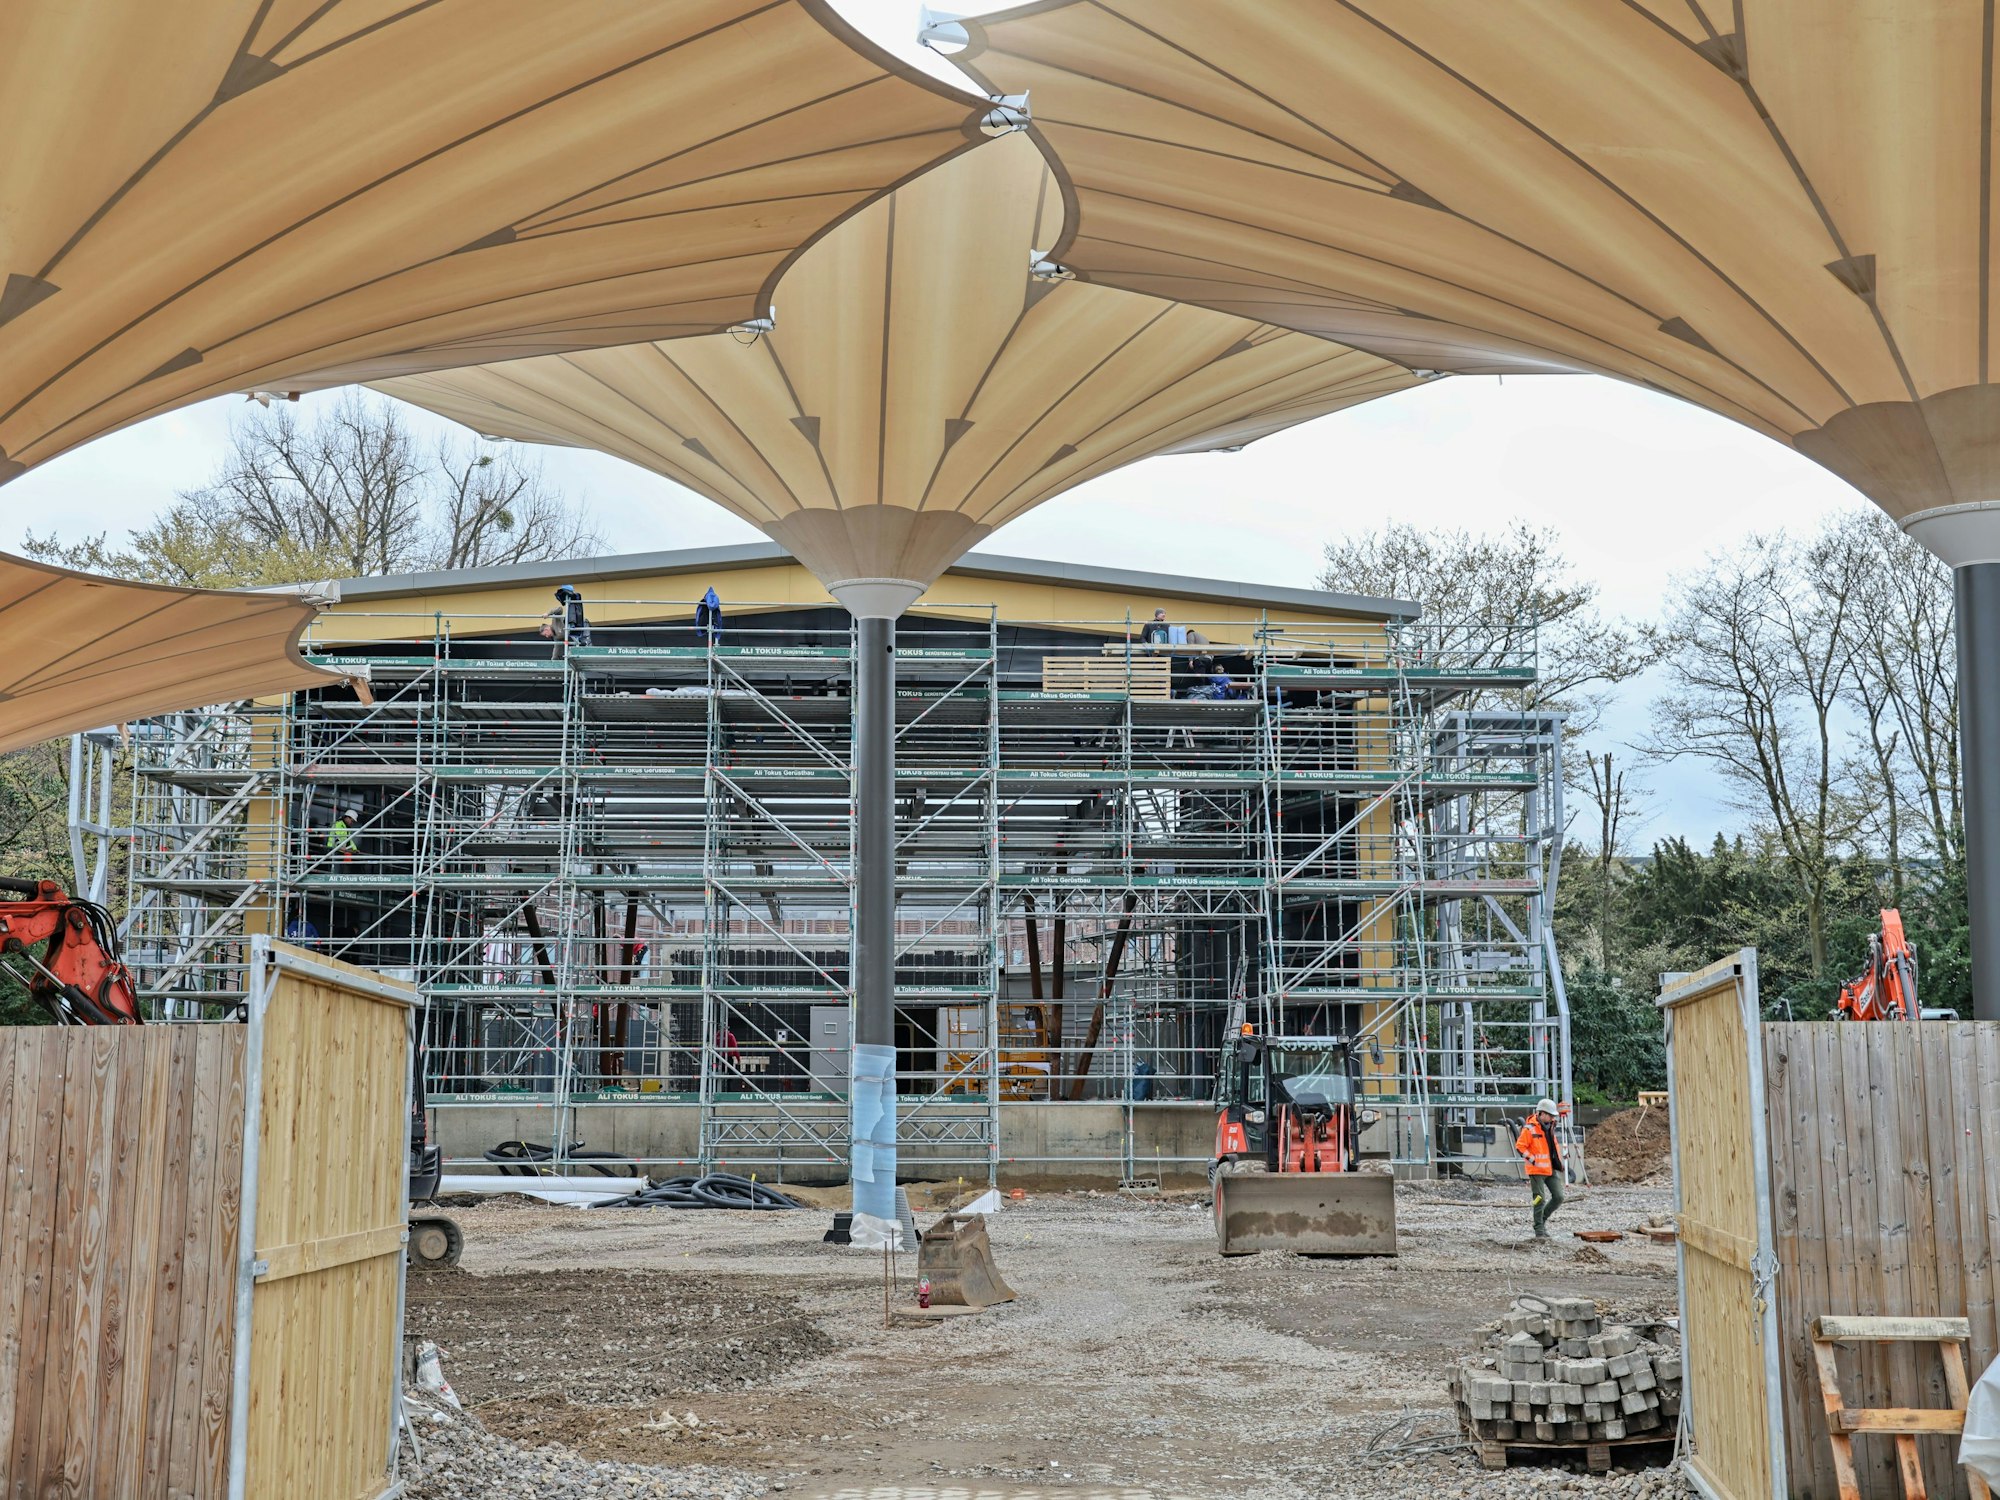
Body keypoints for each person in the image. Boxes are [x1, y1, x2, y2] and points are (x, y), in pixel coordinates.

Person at [1516, 1097, 1569, 1239]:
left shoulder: (1550, 1126)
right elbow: (1520, 1146)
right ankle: (1539, 1230)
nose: (1552, 1118)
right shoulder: (1529, 1128)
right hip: (1536, 1171)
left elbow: (1552, 1147)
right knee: (1539, 1199)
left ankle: (1541, 1221)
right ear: (1541, 1113)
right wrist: (1533, 1160)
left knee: (1559, 1197)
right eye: (1550, 1115)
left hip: (1549, 1169)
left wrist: (1559, 1162)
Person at [540, 584, 592, 650]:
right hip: (574, 630)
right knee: (580, 644)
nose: (547, 636)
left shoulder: (555, 620)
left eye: (545, 634)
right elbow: (556, 648)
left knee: (586, 642)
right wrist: (554, 657)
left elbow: (559, 609)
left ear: (546, 629)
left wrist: (548, 614)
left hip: (581, 623)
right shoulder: (556, 636)